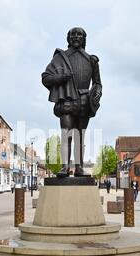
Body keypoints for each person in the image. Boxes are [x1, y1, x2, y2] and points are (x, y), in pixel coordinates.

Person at [42, 27, 102, 177]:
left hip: (84, 101)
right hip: (67, 100)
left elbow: (98, 83)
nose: (76, 37)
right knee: (67, 134)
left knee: (80, 136)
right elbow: (45, 77)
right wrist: (60, 78)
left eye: (79, 34)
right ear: (68, 38)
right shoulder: (60, 58)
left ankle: (79, 168)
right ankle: (65, 167)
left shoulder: (91, 60)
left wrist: (98, 93)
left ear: (84, 38)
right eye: (73, 34)